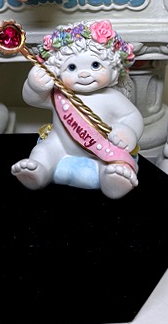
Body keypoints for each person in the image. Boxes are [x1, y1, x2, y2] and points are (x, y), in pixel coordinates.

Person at [13, 20, 143, 199]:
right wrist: (35, 87)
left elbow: (131, 116)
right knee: (43, 151)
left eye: (95, 65)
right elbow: (33, 100)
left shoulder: (112, 97)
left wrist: (126, 132)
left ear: (113, 69)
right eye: (72, 67)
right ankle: (38, 172)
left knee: (113, 162)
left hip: (100, 153)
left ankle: (112, 180)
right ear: (58, 71)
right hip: (59, 145)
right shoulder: (59, 94)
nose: (84, 74)